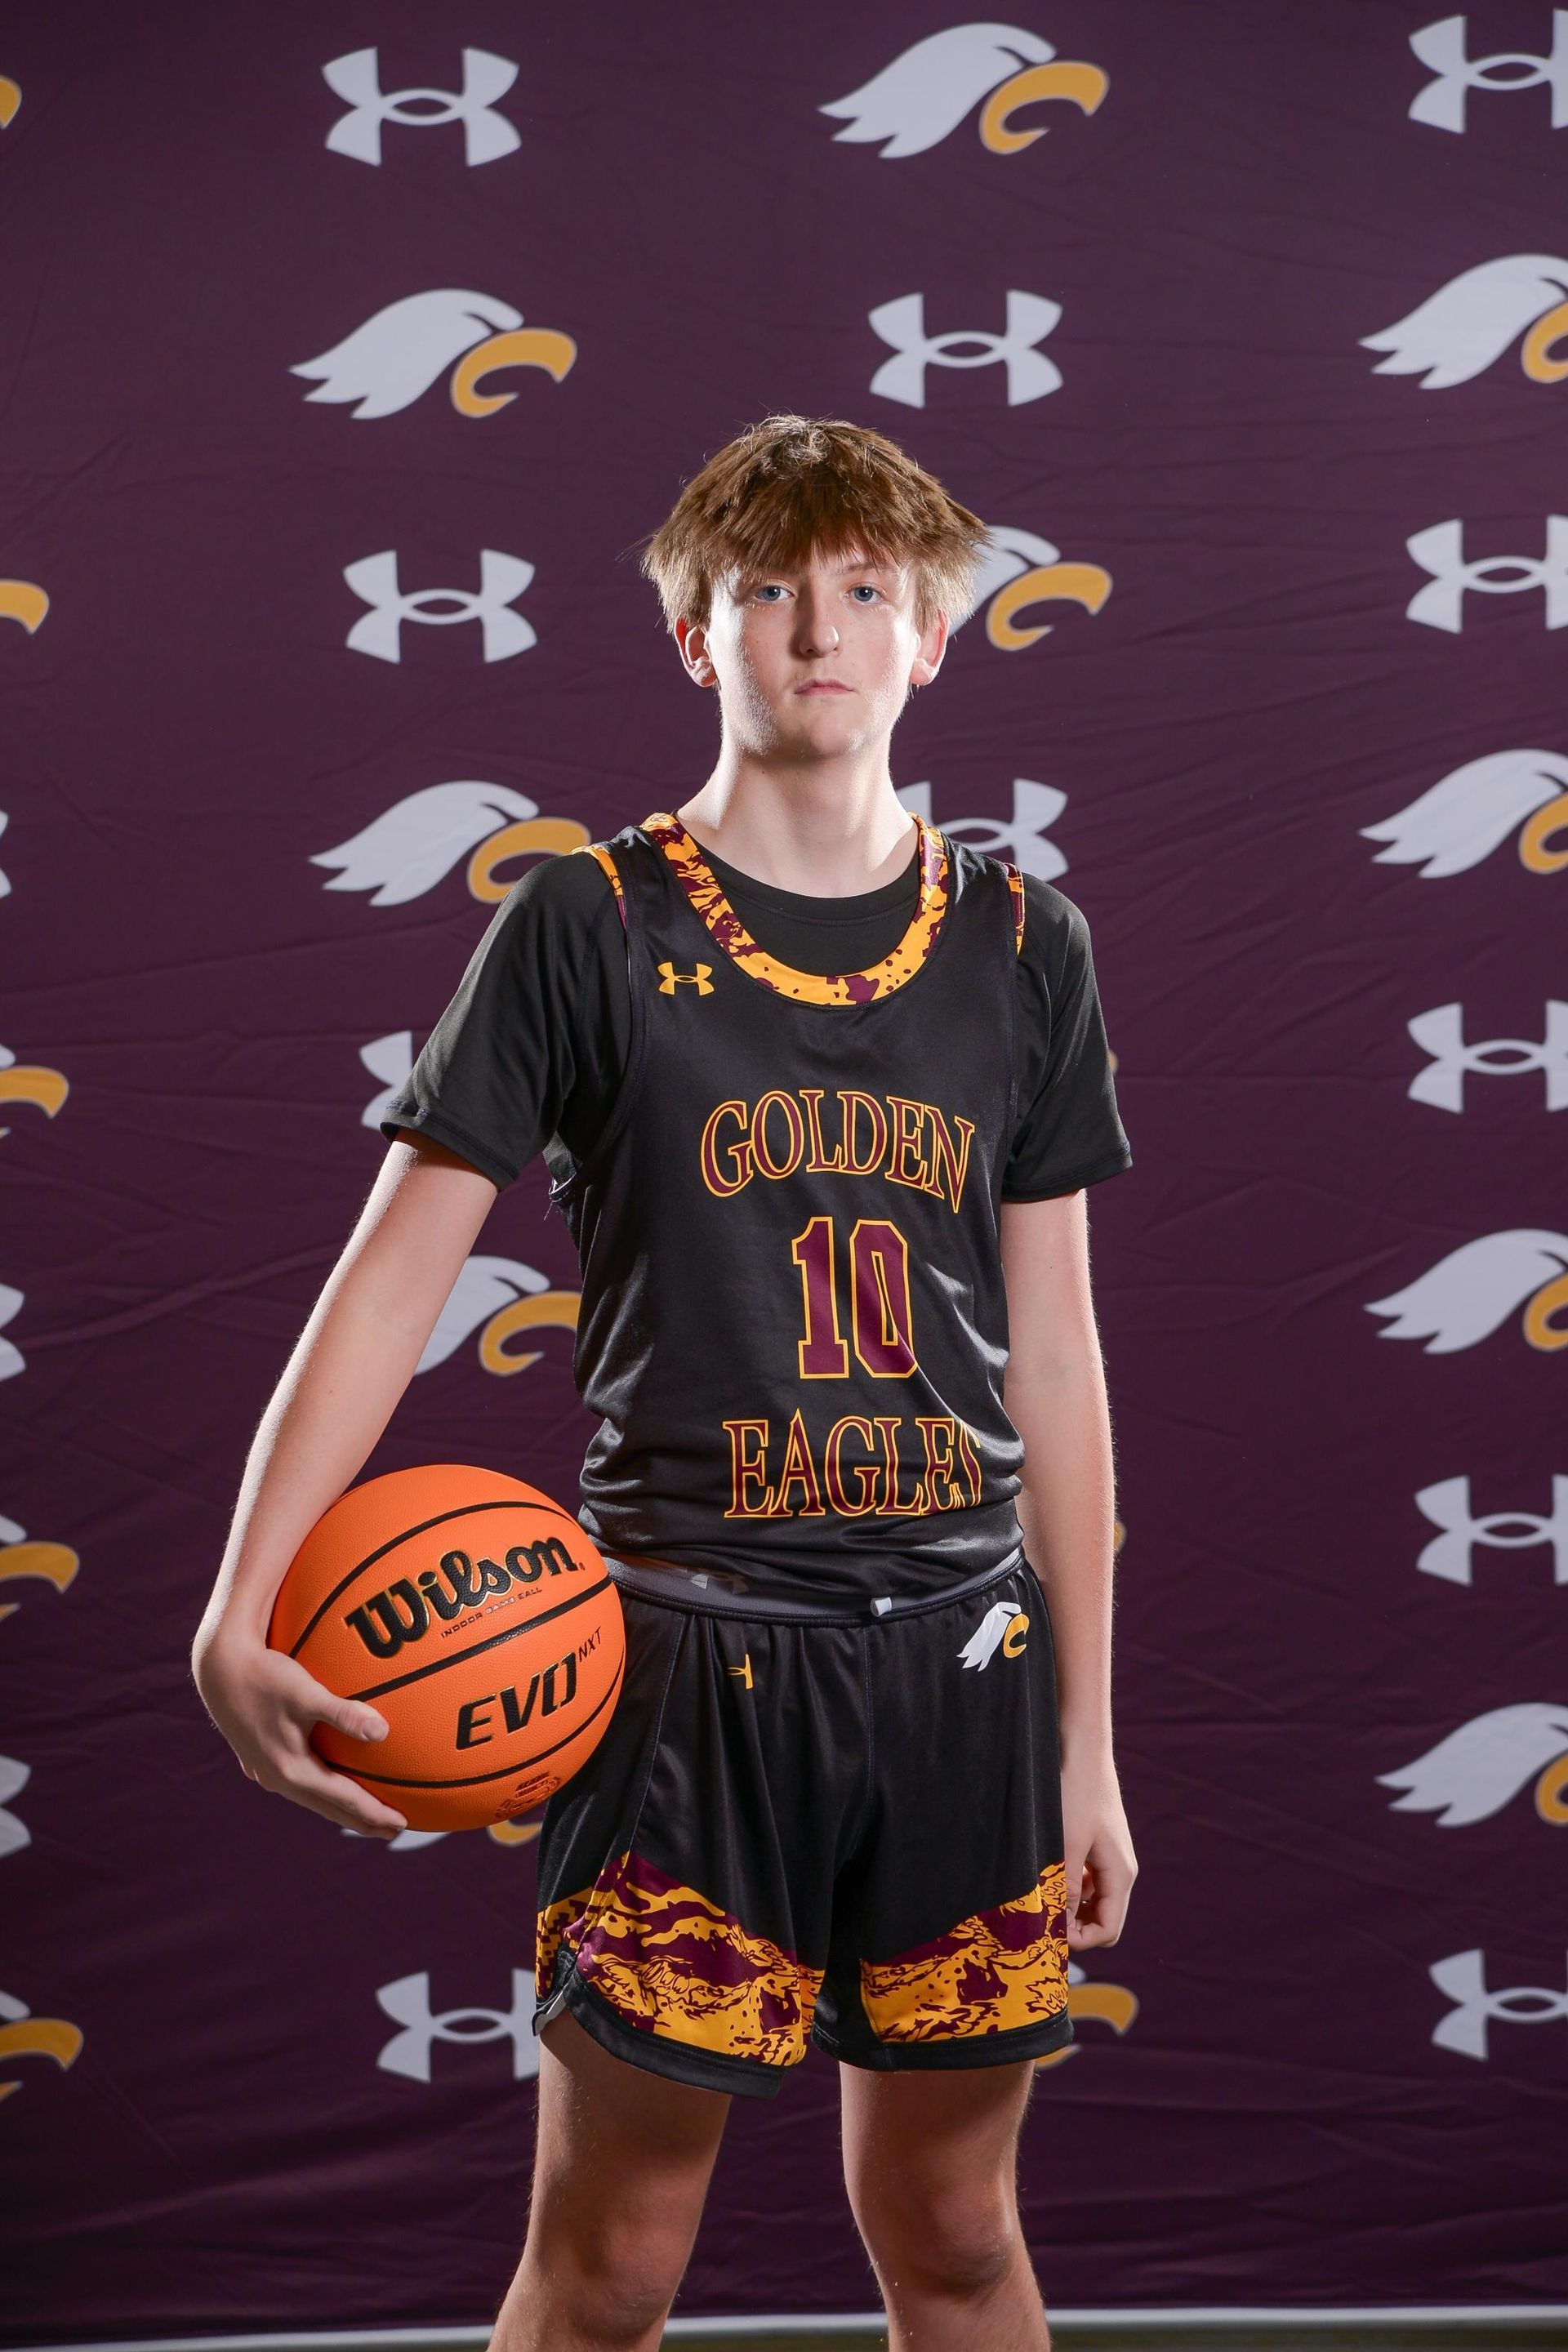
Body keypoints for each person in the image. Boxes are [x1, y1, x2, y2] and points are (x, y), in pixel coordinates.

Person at [192, 412, 1138, 2352]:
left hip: (960, 1659)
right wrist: (237, 1601)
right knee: (613, 2261)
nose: (821, 631)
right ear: (695, 635)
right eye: (768, 590)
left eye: (865, 590)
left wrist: (1088, 1737)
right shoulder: (587, 919)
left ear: (933, 631)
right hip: (686, 1658)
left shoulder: (1027, 942)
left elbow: (1057, 1348)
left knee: (960, 2234)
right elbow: (392, 1280)